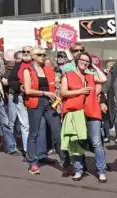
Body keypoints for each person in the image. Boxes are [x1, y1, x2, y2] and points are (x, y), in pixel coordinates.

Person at [60, 51, 108, 182]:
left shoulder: (91, 76)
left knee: (97, 142)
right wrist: (80, 91)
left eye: (87, 61)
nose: (85, 62)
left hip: (92, 111)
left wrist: (95, 67)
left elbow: (104, 79)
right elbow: (63, 92)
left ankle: (101, 171)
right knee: (76, 142)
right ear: (77, 60)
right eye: (83, 60)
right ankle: (78, 170)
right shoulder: (68, 76)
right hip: (75, 112)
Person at [22, 46, 70, 175]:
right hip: (36, 103)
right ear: (33, 56)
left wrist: (55, 93)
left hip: (49, 103)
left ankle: (66, 162)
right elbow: (28, 91)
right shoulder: (28, 70)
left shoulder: (48, 69)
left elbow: (54, 86)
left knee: (58, 133)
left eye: (44, 54)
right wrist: (45, 93)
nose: (42, 57)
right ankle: (32, 163)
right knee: (34, 133)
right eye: (39, 54)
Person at [6, 46, 32, 155]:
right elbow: (11, 80)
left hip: (36, 98)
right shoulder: (18, 66)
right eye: (24, 51)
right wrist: (19, 86)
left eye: (28, 51)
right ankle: (26, 150)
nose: (25, 53)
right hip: (20, 97)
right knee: (23, 124)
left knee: (34, 125)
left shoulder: (37, 64)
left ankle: (38, 149)